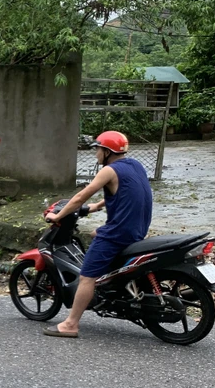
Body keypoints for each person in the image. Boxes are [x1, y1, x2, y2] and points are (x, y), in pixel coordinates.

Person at [43, 130, 153, 338]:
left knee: (86, 277)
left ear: (108, 151)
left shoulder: (108, 171)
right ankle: (112, 282)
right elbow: (129, 192)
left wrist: (57, 217)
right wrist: (99, 205)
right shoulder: (135, 166)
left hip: (119, 232)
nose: (96, 154)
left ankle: (70, 324)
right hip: (138, 228)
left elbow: (79, 197)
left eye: (98, 150)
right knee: (95, 233)